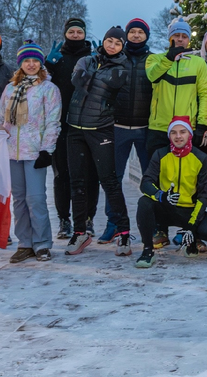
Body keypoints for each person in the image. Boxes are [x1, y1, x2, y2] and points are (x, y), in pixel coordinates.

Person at [64, 27, 134, 257]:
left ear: (122, 46)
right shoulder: (87, 59)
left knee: (109, 181)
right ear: (103, 42)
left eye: (117, 42)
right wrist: (87, 72)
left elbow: (111, 83)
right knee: (77, 182)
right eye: (108, 41)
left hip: (100, 128)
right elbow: (76, 80)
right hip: (75, 127)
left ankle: (123, 233)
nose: (112, 45)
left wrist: (89, 73)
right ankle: (80, 231)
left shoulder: (123, 66)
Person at [0, 41, 62, 263]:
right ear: (20, 64)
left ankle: (42, 243)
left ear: (41, 64)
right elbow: (0, 120)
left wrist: (47, 150)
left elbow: (53, 122)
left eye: (35, 60)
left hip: (35, 152)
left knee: (35, 199)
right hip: (11, 153)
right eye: (27, 60)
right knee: (19, 200)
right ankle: (24, 243)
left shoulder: (48, 89)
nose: (31, 64)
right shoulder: (10, 89)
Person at [133, 120, 207, 268]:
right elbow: (146, 183)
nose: (178, 136)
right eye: (173, 132)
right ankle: (147, 250)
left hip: (188, 210)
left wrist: (192, 225)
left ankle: (191, 239)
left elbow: (204, 195)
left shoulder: (201, 158)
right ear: (169, 135)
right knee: (144, 202)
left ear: (190, 134)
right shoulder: (160, 154)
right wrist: (161, 195)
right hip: (165, 206)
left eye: (182, 132)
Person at [145, 18, 207, 197]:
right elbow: (152, 76)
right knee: (156, 177)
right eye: (176, 35)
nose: (180, 39)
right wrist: (168, 58)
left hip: (185, 129)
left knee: (186, 176)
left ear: (189, 40)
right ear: (169, 38)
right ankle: (159, 222)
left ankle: (186, 216)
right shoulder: (155, 59)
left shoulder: (198, 63)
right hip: (159, 128)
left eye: (184, 36)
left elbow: (205, 94)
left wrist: (202, 124)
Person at [102, 17, 153, 244]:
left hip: (145, 127)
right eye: (132, 32)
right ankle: (114, 223)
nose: (135, 35)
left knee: (151, 178)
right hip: (117, 127)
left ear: (146, 36)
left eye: (140, 33)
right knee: (114, 178)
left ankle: (153, 225)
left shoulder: (153, 60)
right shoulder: (116, 59)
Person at [46, 18, 93, 240]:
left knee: (89, 174)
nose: (75, 35)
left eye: (79, 32)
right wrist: (48, 66)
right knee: (61, 174)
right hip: (61, 124)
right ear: (66, 33)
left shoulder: (93, 58)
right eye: (71, 31)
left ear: (85, 34)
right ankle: (64, 219)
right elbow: (41, 84)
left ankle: (87, 219)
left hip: (87, 123)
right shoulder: (57, 58)